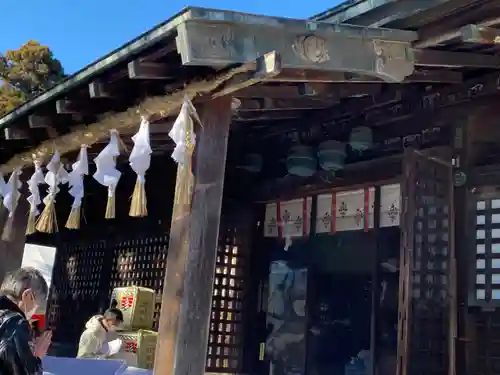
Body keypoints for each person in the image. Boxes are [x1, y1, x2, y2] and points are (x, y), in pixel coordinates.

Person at [0, 267, 51, 375]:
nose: (36, 315)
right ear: (27, 295)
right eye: (39, 305)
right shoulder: (15, 323)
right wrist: (36, 357)